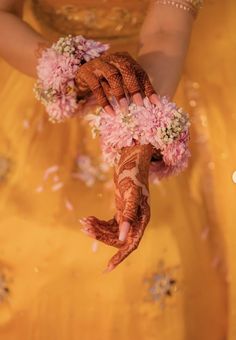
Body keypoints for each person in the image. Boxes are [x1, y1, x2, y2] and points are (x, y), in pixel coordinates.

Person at [0, 1, 234, 339]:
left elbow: (166, 30)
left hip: (156, 77)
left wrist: (135, 148)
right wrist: (64, 69)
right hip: (31, 65)